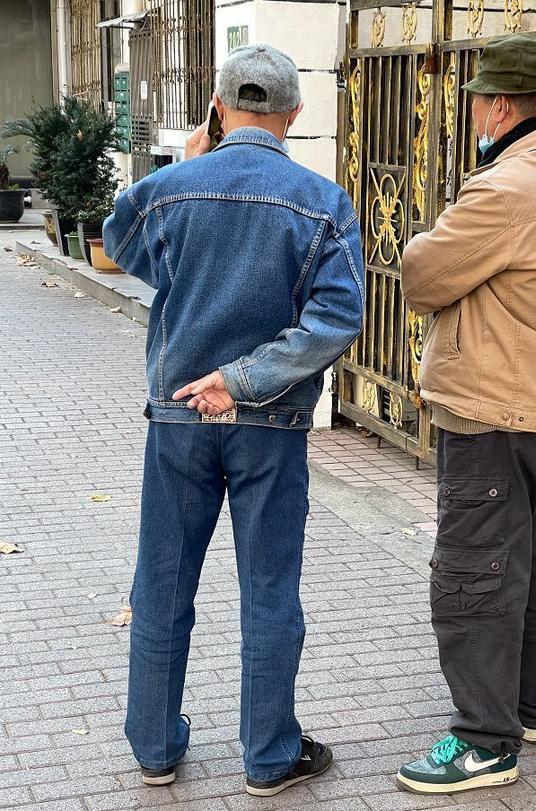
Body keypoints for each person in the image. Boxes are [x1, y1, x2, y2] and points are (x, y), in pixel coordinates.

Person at [103, 44, 364, 797]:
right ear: (294, 113)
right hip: (271, 420)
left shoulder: (173, 188)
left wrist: (182, 171)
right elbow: (339, 316)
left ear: (217, 108)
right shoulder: (322, 200)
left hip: (178, 413)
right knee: (270, 589)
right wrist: (246, 379)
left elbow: (124, 248)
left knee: (162, 581)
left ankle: (154, 747)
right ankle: (269, 755)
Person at [396, 34, 536, 795]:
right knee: (526, 560)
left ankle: (485, 738)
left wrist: (428, 239)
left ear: (503, 105)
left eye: (479, 97)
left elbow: (422, 274)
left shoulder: (506, 186)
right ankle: (531, 702)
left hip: (492, 408)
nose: (474, 108)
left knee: (474, 570)